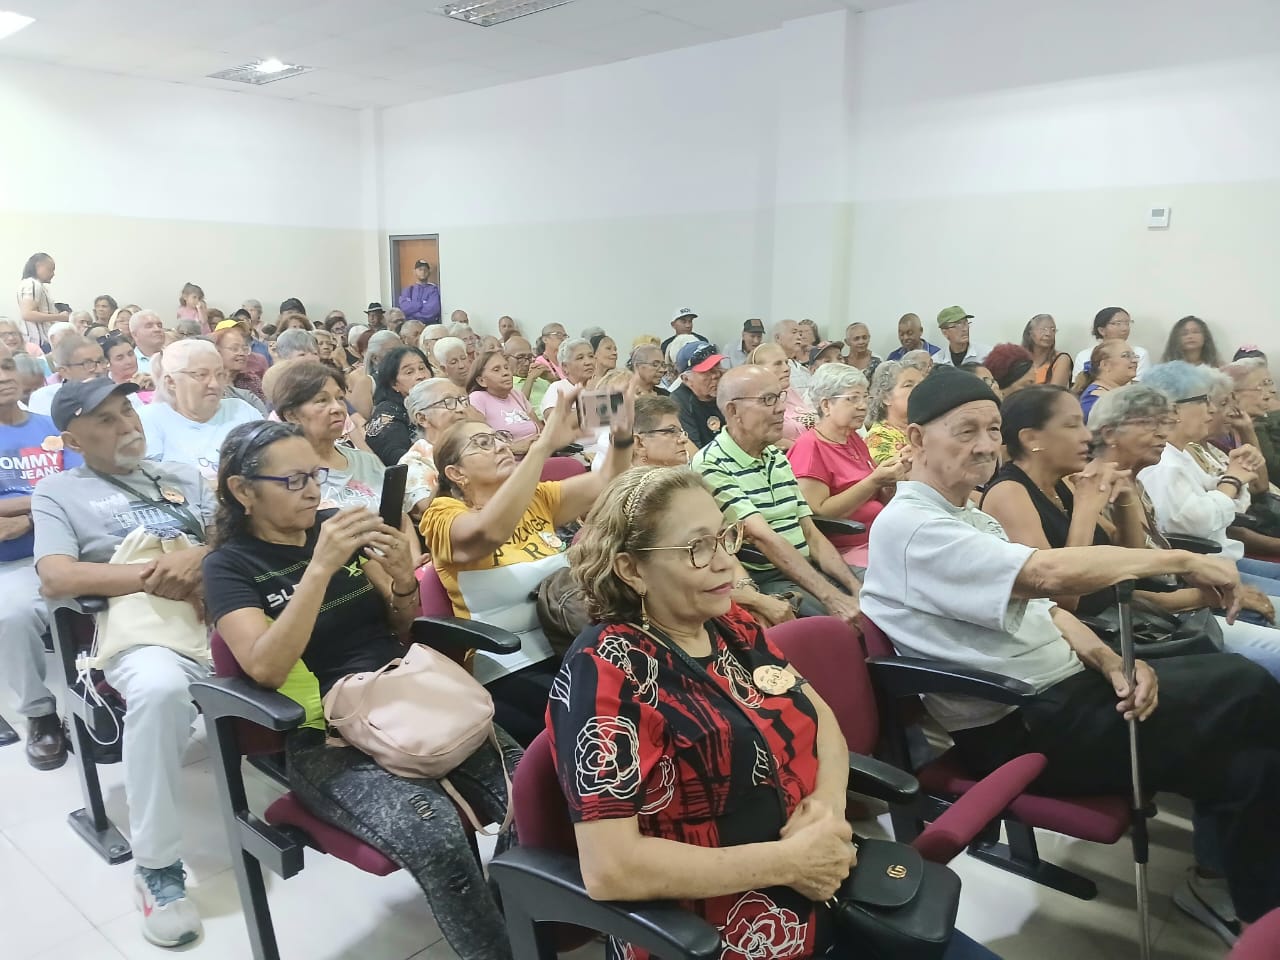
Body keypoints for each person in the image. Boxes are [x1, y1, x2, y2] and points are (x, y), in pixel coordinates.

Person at [859, 363, 1280, 942]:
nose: (985, 445)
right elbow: (1048, 576)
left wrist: (1111, 662)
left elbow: (1050, 612)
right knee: (1243, 682)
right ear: (916, 439)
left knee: (1250, 760)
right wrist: (1182, 559)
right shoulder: (911, 526)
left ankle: (1231, 894)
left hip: (1066, 696)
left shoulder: (968, 515)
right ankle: (1256, 913)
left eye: (991, 429)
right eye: (965, 431)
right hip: (1023, 722)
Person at [553, 465, 999, 960]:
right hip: (710, 929)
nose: (727, 563)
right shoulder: (605, 673)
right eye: (698, 548)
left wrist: (827, 808)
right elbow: (611, 868)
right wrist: (787, 862)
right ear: (631, 569)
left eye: (725, 537)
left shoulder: (730, 623)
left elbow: (817, 716)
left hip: (822, 879)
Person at [204, 421, 517, 960]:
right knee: (435, 834)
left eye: (315, 475)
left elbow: (403, 626)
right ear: (242, 491)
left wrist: (402, 581)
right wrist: (319, 569)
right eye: (294, 480)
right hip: (328, 736)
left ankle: (510, 915)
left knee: (531, 786)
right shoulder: (229, 566)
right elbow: (266, 669)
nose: (312, 490)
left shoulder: (332, 527)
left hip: (404, 695)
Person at [35, 378, 214, 947]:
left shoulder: (180, 476)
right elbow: (56, 576)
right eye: (106, 420)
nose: (127, 425)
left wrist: (201, 557)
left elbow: (232, 537)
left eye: (128, 411)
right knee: (160, 689)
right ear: (73, 440)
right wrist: (157, 575)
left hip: (219, 608)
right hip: (141, 626)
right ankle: (157, 869)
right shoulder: (59, 492)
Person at [983, 386, 1280, 678]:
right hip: (1096, 638)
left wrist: (1125, 499)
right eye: (1072, 426)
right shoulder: (1010, 493)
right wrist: (1086, 510)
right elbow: (1063, 599)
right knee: (1260, 667)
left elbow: (1130, 558)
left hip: (1132, 619)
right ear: (1032, 438)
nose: (1086, 436)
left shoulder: (1062, 485)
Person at [420, 388, 635, 745]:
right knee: (603, 717)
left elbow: (607, 481)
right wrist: (542, 446)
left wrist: (622, 434)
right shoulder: (442, 514)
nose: (500, 447)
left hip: (572, 640)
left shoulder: (537, 497)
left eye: (499, 438)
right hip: (509, 663)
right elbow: (488, 532)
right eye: (483, 443)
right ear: (456, 473)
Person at [692, 365, 862, 623]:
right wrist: (832, 597)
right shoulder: (711, 463)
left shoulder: (775, 457)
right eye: (768, 400)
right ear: (733, 411)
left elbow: (810, 532)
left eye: (781, 397)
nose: (781, 408)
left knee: (882, 594)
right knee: (837, 624)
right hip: (770, 576)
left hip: (809, 567)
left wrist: (855, 587)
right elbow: (763, 538)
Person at [0, 355, 82, 769]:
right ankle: (40, 713)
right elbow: (59, 492)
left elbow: (78, 486)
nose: (2, 378)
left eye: (5, 366)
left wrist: (29, 515)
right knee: (11, 615)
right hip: (15, 563)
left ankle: (108, 699)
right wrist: (50, 500)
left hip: (72, 549)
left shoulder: (50, 427)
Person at [1137, 362, 1280, 592]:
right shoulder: (1162, 464)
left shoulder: (1180, 454)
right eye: (1203, 401)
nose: (1212, 410)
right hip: (1202, 575)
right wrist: (1232, 481)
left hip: (1224, 559)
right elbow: (1199, 526)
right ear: (1174, 410)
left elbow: (1237, 505)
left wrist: (1237, 475)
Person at [788, 364, 904, 567]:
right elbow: (819, 513)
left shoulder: (853, 438)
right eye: (853, 398)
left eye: (865, 397)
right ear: (826, 405)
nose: (863, 406)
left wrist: (892, 478)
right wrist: (874, 481)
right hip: (845, 549)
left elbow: (876, 494)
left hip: (880, 537)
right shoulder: (810, 447)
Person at [140, 340, 261, 482]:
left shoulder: (242, 410)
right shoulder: (150, 419)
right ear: (171, 382)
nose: (214, 384)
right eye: (201, 375)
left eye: (220, 374)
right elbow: (149, 483)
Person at [271, 361, 385, 509]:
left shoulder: (367, 462)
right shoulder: (284, 475)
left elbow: (401, 515)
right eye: (322, 400)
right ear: (292, 415)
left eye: (340, 398)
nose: (338, 408)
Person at [401, 379, 477, 520]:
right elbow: (426, 510)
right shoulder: (415, 460)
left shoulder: (476, 445)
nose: (461, 408)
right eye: (448, 402)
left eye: (462, 400)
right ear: (422, 418)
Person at [365, 346, 431, 466]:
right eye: (409, 372)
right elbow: (394, 456)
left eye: (422, 368)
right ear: (394, 384)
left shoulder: (441, 402)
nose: (420, 376)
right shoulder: (388, 411)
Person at [468, 349, 540, 455]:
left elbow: (540, 428)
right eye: (496, 370)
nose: (506, 373)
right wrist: (513, 448)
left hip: (537, 454)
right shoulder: (477, 398)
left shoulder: (516, 395)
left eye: (506, 367)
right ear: (481, 381)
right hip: (508, 459)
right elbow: (479, 441)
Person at [747, 342, 815, 451]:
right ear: (758, 369)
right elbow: (761, 438)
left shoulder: (790, 392)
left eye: (786, 362)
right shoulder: (753, 403)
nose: (787, 368)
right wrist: (803, 450)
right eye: (778, 364)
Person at [26, 334, 107, 416]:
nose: (100, 369)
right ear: (64, 372)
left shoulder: (113, 394)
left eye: (101, 361)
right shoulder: (45, 399)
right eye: (88, 364)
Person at [1072, 307, 1151, 388]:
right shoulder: (1083, 355)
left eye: (1127, 323)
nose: (1125, 328)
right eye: (1118, 323)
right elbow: (1078, 386)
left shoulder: (1139, 353)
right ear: (1101, 330)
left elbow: (1139, 387)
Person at [865, 360, 925, 463]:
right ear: (885, 397)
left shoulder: (928, 426)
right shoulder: (878, 437)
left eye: (921, 384)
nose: (919, 389)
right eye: (908, 385)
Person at [671, 341, 727, 450]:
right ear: (686, 379)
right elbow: (694, 452)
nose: (716, 375)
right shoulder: (679, 403)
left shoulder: (729, 390)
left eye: (717, 366)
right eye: (707, 371)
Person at [212, 321, 268, 413]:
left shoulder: (252, 381)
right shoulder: (209, 384)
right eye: (235, 349)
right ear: (216, 351)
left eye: (244, 349)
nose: (241, 353)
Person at [1079, 340, 1139, 419]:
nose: (1134, 360)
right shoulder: (1094, 400)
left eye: (1134, 356)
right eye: (1126, 356)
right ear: (1105, 364)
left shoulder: (1117, 393)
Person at [16, 252, 67, 347]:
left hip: (40, 342)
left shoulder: (35, 285)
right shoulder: (32, 284)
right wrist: (59, 317)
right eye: (50, 269)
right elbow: (27, 314)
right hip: (39, 343)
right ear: (38, 266)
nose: (53, 274)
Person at [522, 323, 567, 411]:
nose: (563, 339)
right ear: (545, 339)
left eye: (565, 336)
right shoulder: (540, 364)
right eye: (558, 335)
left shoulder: (566, 361)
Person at [1023, 314, 1072, 385]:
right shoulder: (1019, 358)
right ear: (1030, 332)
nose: (1048, 334)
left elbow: (1055, 390)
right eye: (1044, 329)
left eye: (1053, 330)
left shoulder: (1061, 359)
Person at [398, 259, 442, 325]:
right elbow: (404, 308)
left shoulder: (433, 290)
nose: (423, 272)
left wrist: (412, 314)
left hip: (429, 325)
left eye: (425, 270)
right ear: (414, 272)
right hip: (410, 326)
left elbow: (432, 310)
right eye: (420, 269)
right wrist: (421, 304)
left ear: (429, 272)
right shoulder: (408, 290)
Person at [774, 319, 812, 395]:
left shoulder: (803, 368)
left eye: (800, 334)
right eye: (794, 332)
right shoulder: (774, 368)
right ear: (778, 337)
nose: (799, 337)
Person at [129, 310, 167, 375]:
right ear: (135, 335)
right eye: (149, 326)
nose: (157, 329)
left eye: (159, 326)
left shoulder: (175, 356)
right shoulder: (128, 363)